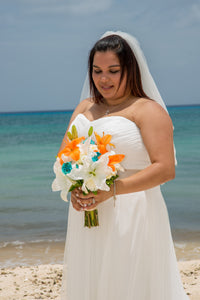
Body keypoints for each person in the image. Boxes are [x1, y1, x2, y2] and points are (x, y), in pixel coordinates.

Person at [59, 31, 189, 299]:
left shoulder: (147, 110)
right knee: (91, 280)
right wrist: (74, 187)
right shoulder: (85, 107)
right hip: (88, 211)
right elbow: (64, 157)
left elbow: (165, 168)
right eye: (96, 71)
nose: (103, 79)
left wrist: (113, 189)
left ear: (130, 69)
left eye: (113, 71)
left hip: (132, 210)